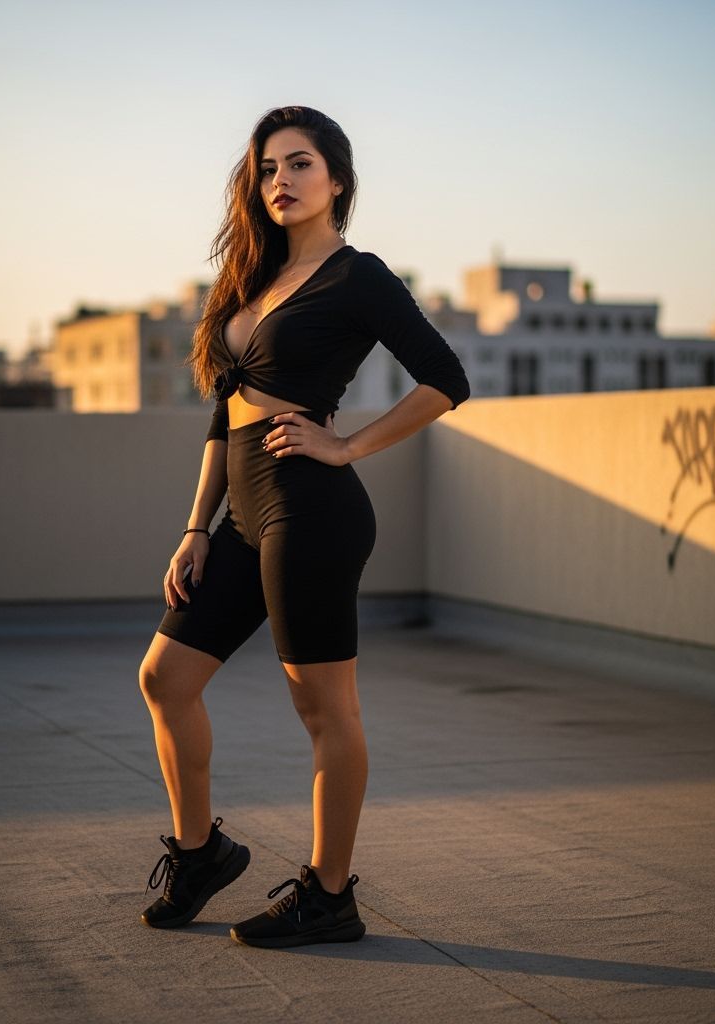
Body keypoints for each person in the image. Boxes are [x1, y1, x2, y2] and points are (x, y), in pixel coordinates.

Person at [137, 105, 470, 949]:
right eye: (268, 169)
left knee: (324, 709)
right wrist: (196, 527)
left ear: (338, 180)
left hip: (309, 509)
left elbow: (445, 378)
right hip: (241, 515)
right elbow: (226, 415)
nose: (279, 181)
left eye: (299, 164)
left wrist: (348, 444)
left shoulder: (358, 276)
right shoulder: (248, 283)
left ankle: (329, 895)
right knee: (165, 679)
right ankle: (201, 851)